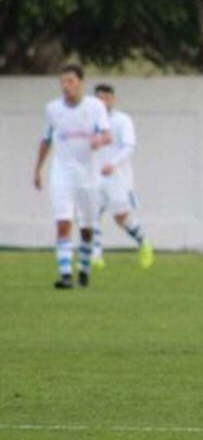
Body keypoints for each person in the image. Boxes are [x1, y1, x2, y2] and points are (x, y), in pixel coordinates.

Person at [33, 64, 112, 289]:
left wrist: (99, 140)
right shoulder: (53, 109)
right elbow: (46, 140)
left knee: (86, 227)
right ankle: (66, 274)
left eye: (71, 81)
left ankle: (84, 267)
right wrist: (37, 169)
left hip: (88, 176)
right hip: (62, 174)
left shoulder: (95, 107)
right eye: (63, 82)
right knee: (63, 222)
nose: (66, 86)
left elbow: (106, 134)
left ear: (81, 83)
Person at [89, 84, 154, 270]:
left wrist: (113, 163)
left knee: (121, 218)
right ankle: (96, 256)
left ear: (113, 99)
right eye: (99, 98)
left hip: (117, 177)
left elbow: (129, 146)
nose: (103, 102)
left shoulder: (122, 120)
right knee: (91, 214)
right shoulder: (89, 122)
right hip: (94, 176)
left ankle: (144, 242)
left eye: (106, 98)